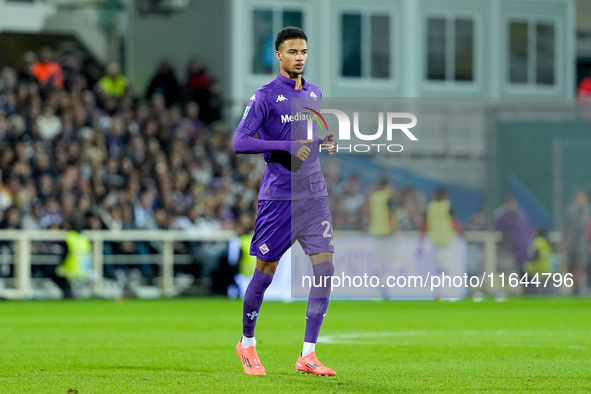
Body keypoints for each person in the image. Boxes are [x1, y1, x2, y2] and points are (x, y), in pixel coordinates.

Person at [232, 26, 337, 376]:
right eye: (292, 52)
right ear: (279, 55)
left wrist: (323, 143)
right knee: (266, 271)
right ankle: (247, 343)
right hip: (279, 198)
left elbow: (305, 139)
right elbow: (240, 142)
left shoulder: (314, 93)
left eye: (303, 51)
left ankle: (308, 354)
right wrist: (283, 147)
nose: (300, 57)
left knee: (324, 270)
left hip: (314, 196)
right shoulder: (264, 96)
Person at [563, 190, 590, 295]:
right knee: (569, 266)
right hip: (571, 244)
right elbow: (565, 228)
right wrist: (564, 242)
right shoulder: (570, 211)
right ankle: (573, 285)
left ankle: (577, 288)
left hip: (583, 245)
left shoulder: (588, 212)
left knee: (580, 266)